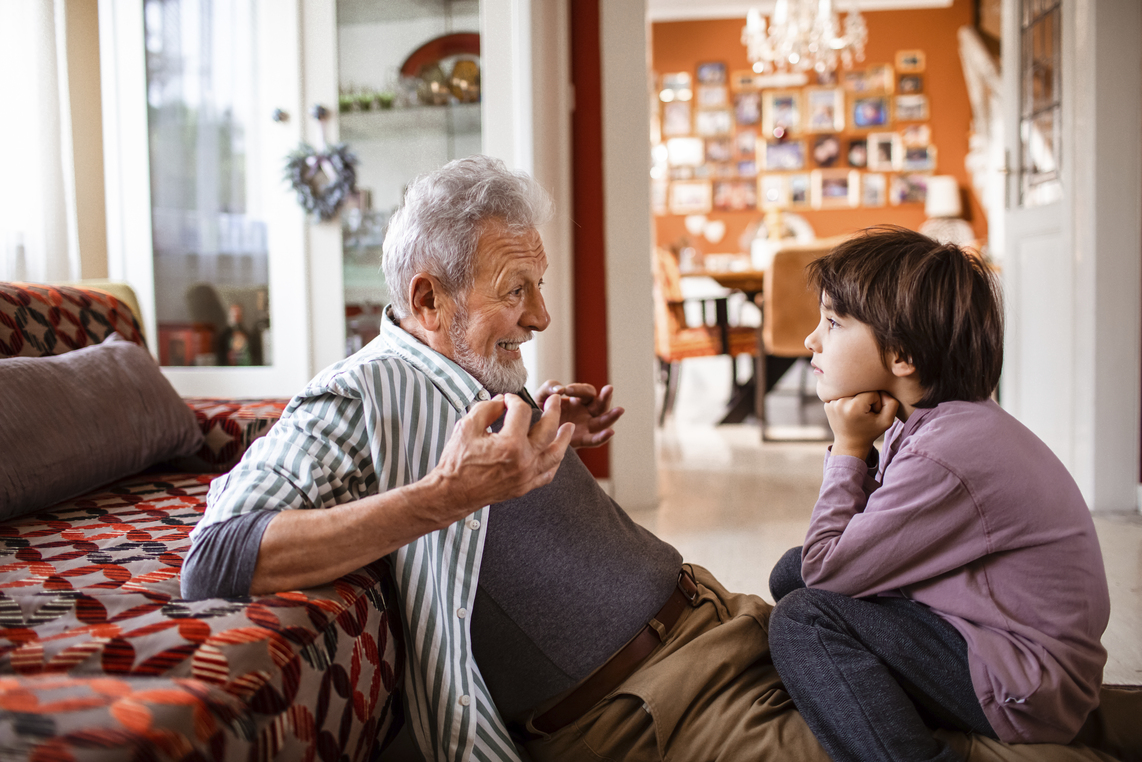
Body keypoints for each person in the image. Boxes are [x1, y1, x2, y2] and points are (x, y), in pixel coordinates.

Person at [182, 155, 831, 762]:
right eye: (516, 290)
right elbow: (218, 555)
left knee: (922, 677)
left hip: (723, 618)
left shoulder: (476, 371)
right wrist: (447, 495)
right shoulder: (356, 396)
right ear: (428, 300)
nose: (542, 315)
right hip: (661, 707)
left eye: (537, 285)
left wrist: (547, 421)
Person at [766, 227, 1111, 762]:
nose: (812, 340)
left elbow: (829, 571)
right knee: (790, 572)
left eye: (832, 323)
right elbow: (842, 554)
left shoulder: (944, 453)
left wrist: (849, 449)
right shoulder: (938, 423)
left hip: (1024, 683)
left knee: (803, 617)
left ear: (901, 354)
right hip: (993, 641)